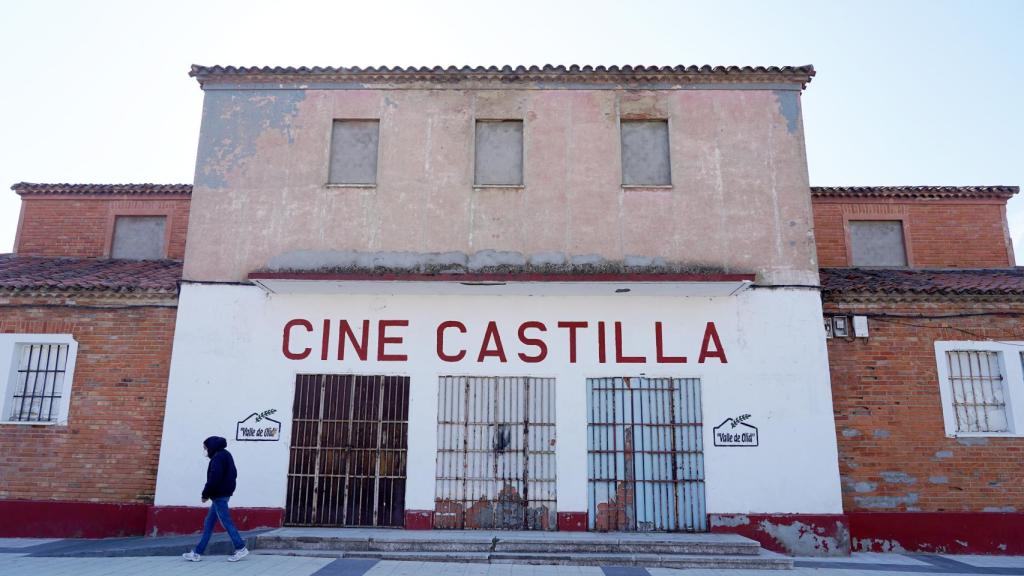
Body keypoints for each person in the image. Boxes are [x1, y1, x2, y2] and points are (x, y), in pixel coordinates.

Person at [182, 436, 249, 562]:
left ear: (211, 447)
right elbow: (233, 473)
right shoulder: (226, 454)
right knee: (209, 523)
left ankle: (241, 548)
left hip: (219, 495)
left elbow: (214, 479)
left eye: (205, 448)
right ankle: (197, 552)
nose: (205, 450)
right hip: (223, 493)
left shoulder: (217, 458)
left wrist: (205, 494)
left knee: (226, 522)